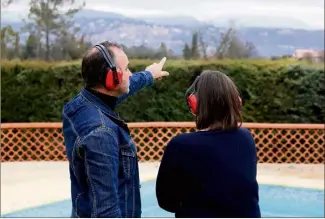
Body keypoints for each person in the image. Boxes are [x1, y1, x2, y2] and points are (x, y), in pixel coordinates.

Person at [62, 41, 169, 218]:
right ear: (112, 79)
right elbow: (106, 211)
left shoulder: (78, 106)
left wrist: (149, 75)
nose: (130, 74)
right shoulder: (101, 133)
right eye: (126, 69)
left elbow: (124, 88)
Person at [155, 70, 261, 218]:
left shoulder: (181, 145)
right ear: (236, 102)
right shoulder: (246, 137)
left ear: (194, 104)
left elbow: (166, 201)